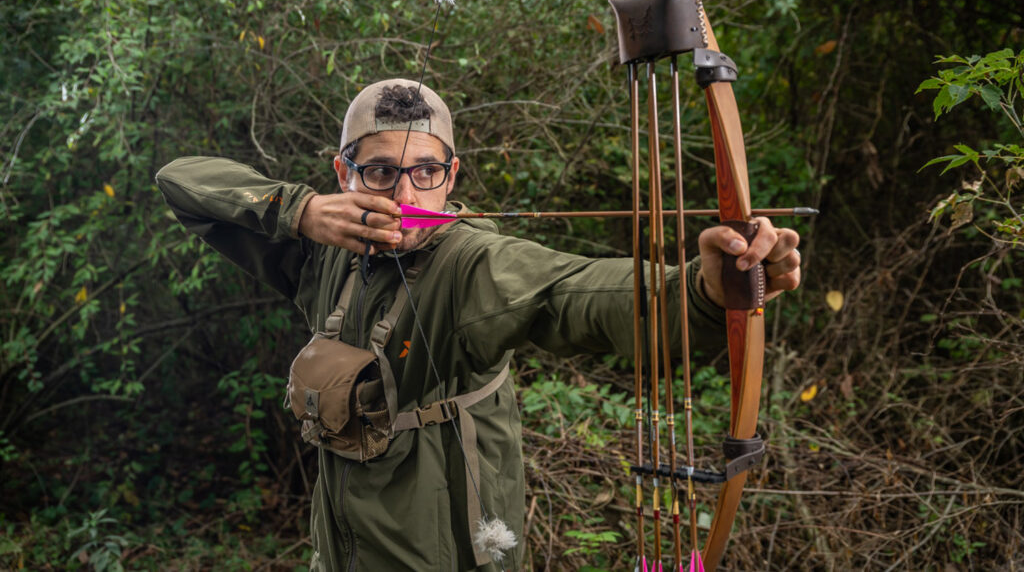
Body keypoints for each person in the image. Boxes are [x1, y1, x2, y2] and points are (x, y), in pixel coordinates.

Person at [156, 78, 801, 571]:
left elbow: (582, 294)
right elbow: (180, 182)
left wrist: (705, 289)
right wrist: (299, 212)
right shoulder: (322, 248)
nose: (404, 196)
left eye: (425, 172)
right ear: (342, 172)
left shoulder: (472, 266)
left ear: (450, 175)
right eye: (379, 171)